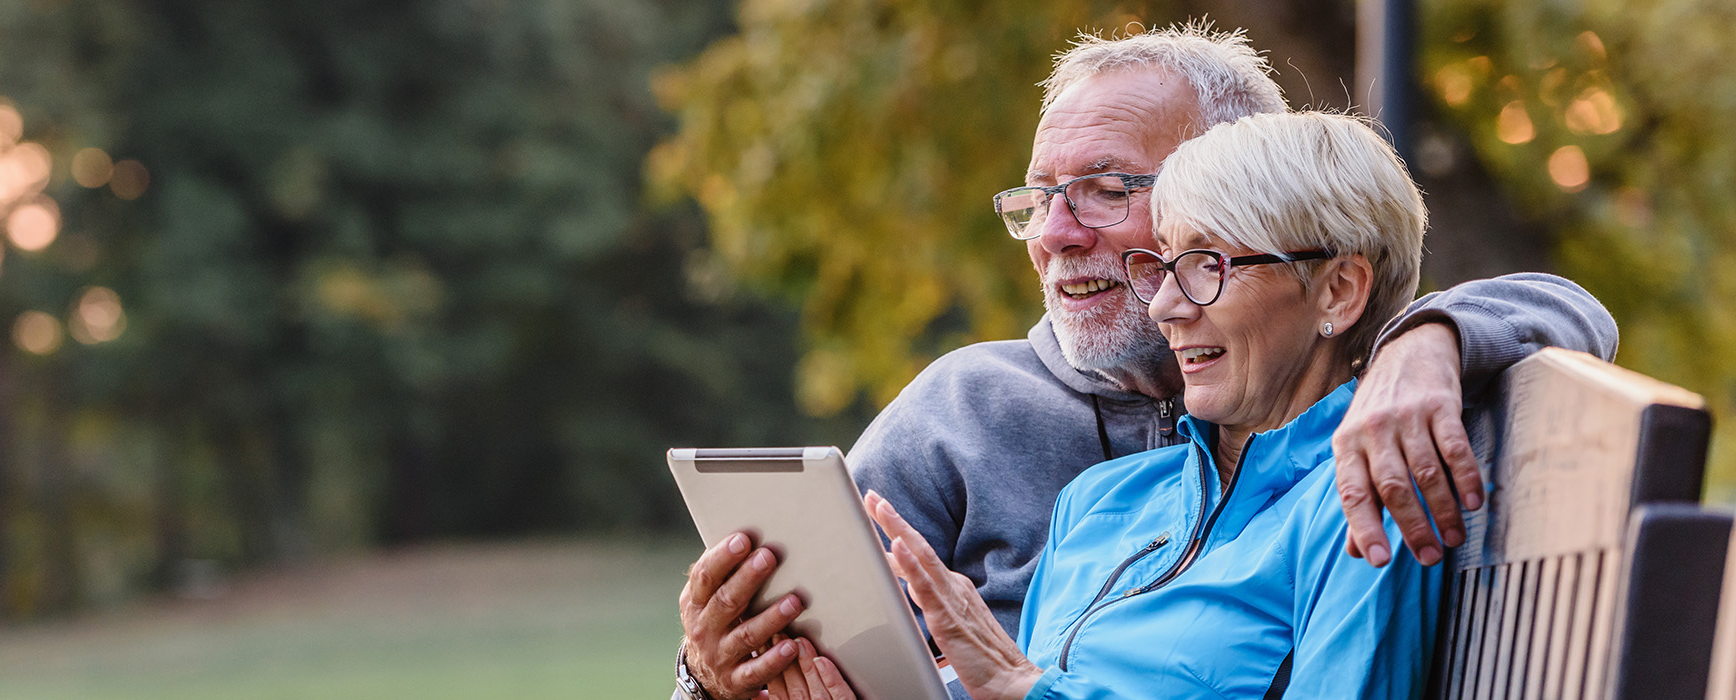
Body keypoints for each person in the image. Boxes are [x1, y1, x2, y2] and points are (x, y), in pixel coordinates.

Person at [673, 25, 1616, 700]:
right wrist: (719, 677)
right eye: (1040, 198)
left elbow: (1568, 307)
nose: (1055, 234)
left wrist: (1426, 340)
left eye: (1104, 190)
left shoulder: (1362, 458)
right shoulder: (1012, 441)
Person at [785, 109, 1444, 700]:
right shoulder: (1100, 502)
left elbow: (1025, 689)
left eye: (1208, 266)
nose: (1165, 307)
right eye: (1164, 267)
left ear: (1338, 291)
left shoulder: (1364, 500)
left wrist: (1023, 689)